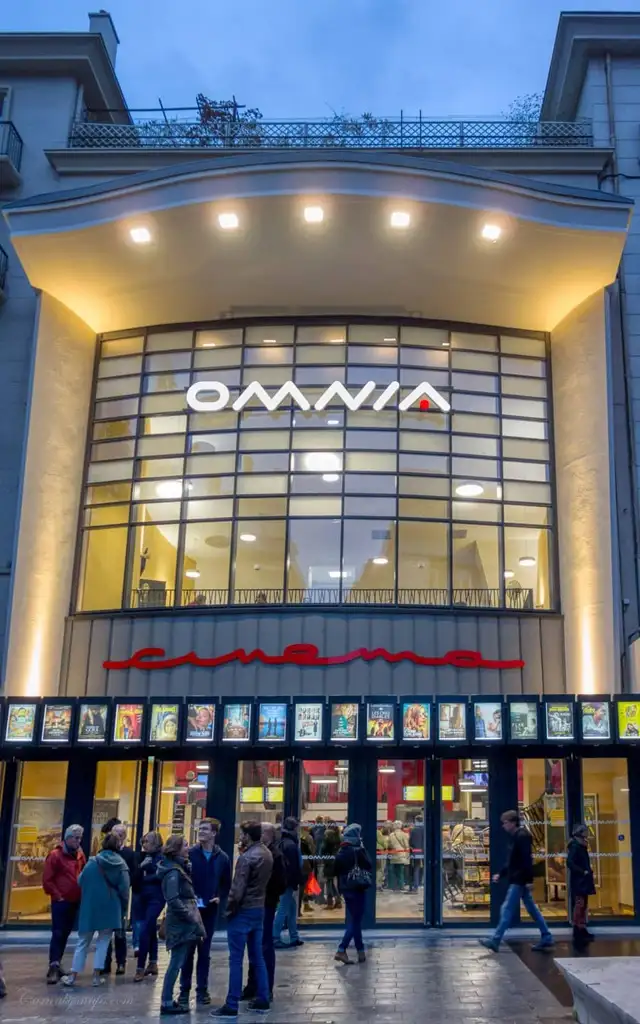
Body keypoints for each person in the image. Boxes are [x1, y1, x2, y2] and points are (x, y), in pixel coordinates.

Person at [211, 820, 273, 1018]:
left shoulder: (247, 858)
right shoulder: (266, 853)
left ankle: (231, 1003)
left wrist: (228, 909)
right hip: (258, 909)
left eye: (242, 833)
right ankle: (263, 998)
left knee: (236, 959)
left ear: (247, 835)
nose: (240, 836)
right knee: (258, 957)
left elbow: (237, 890)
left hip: (243, 911)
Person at [61, 832, 130, 987]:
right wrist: (123, 908)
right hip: (111, 907)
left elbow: (80, 881)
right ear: (118, 846)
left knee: (83, 941)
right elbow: (125, 890)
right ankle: (96, 976)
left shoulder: (93, 862)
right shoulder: (121, 865)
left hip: (90, 907)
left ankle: (73, 975)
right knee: (104, 941)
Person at [481, 810, 554, 953]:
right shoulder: (516, 836)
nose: (503, 826)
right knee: (531, 909)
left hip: (519, 879)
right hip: (518, 878)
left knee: (506, 909)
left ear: (513, 822)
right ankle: (546, 935)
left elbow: (526, 859)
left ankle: (495, 940)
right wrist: (501, 874)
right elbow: (512, 860)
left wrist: (528, 880)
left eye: (505, 823)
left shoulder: (522, 837)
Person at [179, 819, 231, 1007]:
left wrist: (220, 896)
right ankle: (184, 991)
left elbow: (226, 883)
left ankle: (202, 990)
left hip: (210, 910)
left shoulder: (222, 857)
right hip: (191, 909)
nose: (200, 832)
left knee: (205, 951)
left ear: (214, 833)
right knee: (187, 951)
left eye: (205, 829)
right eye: (199, 829)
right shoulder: (190, 854)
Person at [158, 835, 206, 1016]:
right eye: (185, 845)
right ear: (176, 849)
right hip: (180, 924)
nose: (189, 848)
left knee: (178, 962)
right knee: (176, 963)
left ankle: (168, 999)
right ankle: (167, 1001)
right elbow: (173, 899)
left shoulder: (178, 868)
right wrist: (190, 916)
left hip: (183, 922)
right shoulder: (173, 872)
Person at [242, 821, 287, 1003]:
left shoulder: (274, 855)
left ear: (268, 835)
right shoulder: (254, 852)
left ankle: (265, 987)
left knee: (264, 945)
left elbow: (280, 883)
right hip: (254, 905)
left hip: (265, 905)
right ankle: (253, 985)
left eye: (260, 833)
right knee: (254, 945)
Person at [43, 824, 86, 984]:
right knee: (58, 933)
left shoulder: (79, 854)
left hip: (74, 900)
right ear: (67, 838)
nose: (78, 840)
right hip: (61, 901)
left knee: (65, 933)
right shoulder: (55, 855)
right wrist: (57, 896)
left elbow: (82, 873)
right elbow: (47, 880)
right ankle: (53, 966)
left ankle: (57, 963)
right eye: (76, 838)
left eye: (80, 837)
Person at [333, 823, 372, 964]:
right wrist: (362, 848)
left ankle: (360, 951)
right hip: (357, 888)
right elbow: (369, 865)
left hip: (345, 889)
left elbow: (335, 872)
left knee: (355, 920)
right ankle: (341, 949)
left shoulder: (340, 852)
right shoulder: (358, 851)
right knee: (356, 921)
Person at [103, 822, 139, 975]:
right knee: (105, 932)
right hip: (106, 896)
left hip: (120, 896)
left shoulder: (129, 854)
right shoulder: (102, 854)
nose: (118, 836)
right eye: (115, 833)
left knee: (120, 932)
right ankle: (105, 963)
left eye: (121, 834)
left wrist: (125, 886)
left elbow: (133, 873)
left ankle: (121, 963)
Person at [134, 831, 165, 981]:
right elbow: (134, 877)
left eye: (148, 841)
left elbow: (161, 876)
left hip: (156, 897)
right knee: (149, 927)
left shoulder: (162, 857)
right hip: (142, 897)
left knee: (145, 929)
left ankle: (140, 967)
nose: (145, 844)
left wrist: (147, 876)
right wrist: (141, 867)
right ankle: (153, 962)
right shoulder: (141, 857)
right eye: (144, 841)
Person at [273, 817, 303, 948]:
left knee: (291, 907)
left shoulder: (282, 842)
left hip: (284, 881)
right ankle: (274, 937)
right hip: (287, 882)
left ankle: (294, 936)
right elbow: (292, 867)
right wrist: (294, 882)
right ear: (295, 828)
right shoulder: (290, 844)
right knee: (283, 909)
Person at [567, 824, 596, 948]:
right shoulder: (575, 846)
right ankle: (578, 929)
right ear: (581, 833)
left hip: (583, 880)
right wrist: (582, 871)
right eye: (585, 831)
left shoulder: (581, 845)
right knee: (580, 905)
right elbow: (570, 862)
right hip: (579, 881)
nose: (587, 833)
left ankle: (582, 928)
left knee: (583, 905)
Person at [322, 823, 342, 909]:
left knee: (329, 883)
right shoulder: (338, 838)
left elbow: (322, 850)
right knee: (331, 883)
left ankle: (330, 903)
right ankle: (338, 900)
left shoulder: (327, 839)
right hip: (336, 862)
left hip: (328, 862)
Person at [388, 820, 410, 890]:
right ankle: (401, 886)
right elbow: (406, 845)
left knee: (394, 871)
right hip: (401, 854)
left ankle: (394, 886)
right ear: (400, 826)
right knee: (400, 871)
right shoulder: (404, 834)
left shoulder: (391, 835)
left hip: (394, 854)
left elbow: (389, 844)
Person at [409, 814, 425, 891]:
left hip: (416, 851)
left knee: (416, 868)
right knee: (427, 868)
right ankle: (425, 883)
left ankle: (416, 885)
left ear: (416, 821)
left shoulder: (413, 830)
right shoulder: (426, 829)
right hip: (426, 851)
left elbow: (410, 841)